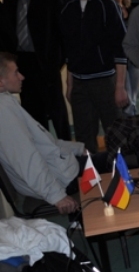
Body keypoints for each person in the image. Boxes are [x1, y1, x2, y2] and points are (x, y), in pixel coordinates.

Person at [0, 52, 87, 214]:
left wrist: (78, 149)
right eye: (16, 73)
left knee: (108, 160)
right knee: (115, 164)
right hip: (60, 180)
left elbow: (46, 144)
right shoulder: (3, 112)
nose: (22, 77)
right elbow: (26, 160)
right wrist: (57, 196)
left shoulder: (6, 101)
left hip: (59, 171)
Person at [59, 0, 128, 153]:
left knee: (115, 134)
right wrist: (70, 85)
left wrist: (120, 86)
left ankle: (120, 171)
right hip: (79, 83)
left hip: (105, 81)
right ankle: (89, 171)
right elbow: (69, 50)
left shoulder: (107, 4)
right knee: (84, 137)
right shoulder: (67, 8)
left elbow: (120, 47)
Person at [3, 0, 71, 140]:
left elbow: (64, 35)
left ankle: (67, 148)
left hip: (46, 63)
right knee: (32, 112)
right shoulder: (9, 1)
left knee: (56, 111)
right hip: (22, 63)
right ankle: (41, 147)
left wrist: (57, 62)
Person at [104, 0, 138, 116]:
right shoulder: (107, 11)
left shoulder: (132, 9)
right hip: (118, 60)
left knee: (133, 96)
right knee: (125, 96)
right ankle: (127, 124)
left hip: (134, 58)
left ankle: (132, 120)